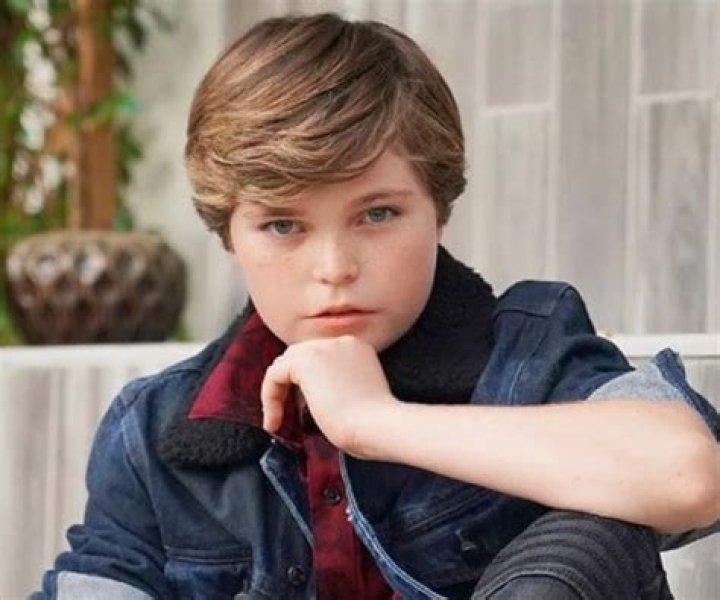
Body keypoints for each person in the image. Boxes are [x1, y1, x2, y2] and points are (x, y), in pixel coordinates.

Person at [37, 12, 719, 599]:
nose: (334, 268)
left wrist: (374, 420)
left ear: (437, 210)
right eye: (283, 225)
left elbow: (693, 475)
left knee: (589, 539)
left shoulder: (527, 353)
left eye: (378, 214)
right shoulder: (156, 429)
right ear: (229, 234)